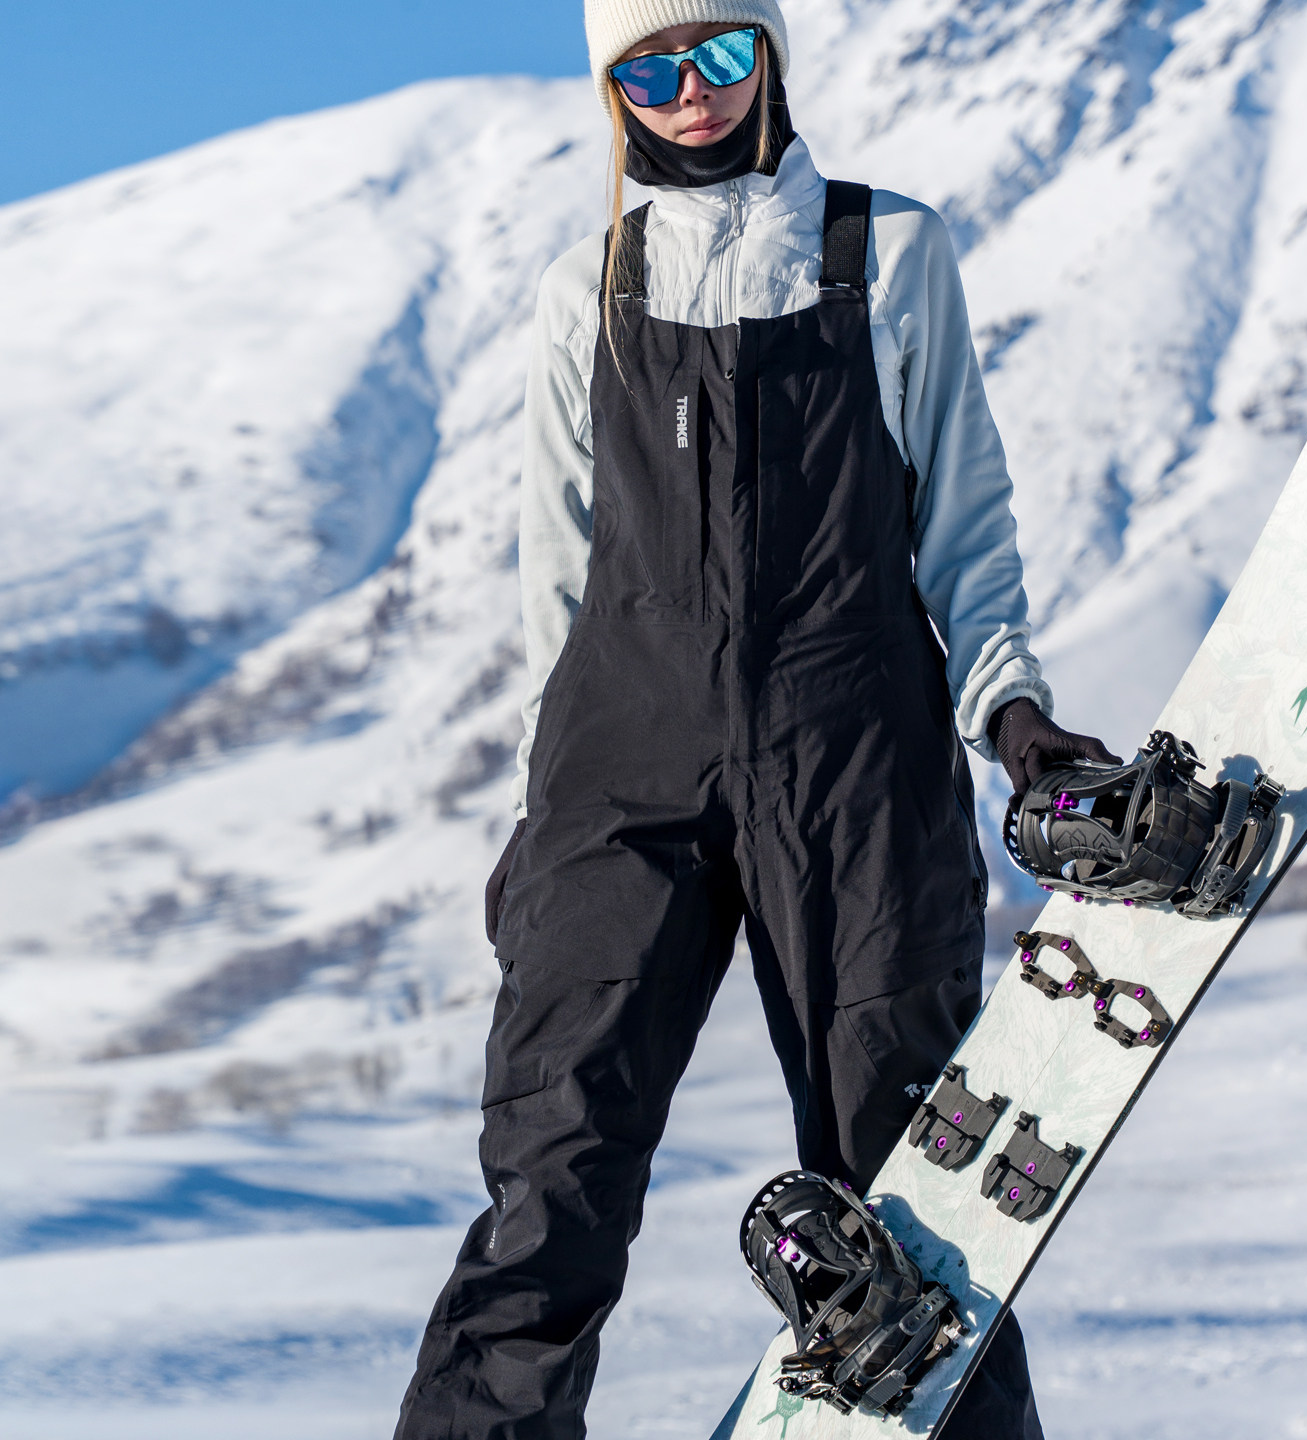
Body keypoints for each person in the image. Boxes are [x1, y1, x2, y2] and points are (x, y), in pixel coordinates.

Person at [395, 3, 1118, 1436]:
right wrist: (548, 810)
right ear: (613, 92)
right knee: (553, 1168)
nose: (691, 93)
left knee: (909, 1176)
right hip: (620, 755)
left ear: (772, 52)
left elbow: (964, 513)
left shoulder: (889, 250)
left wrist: (1013, 712)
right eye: (650, 69)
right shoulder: (586, 290)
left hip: (855, 741)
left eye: (720, 53)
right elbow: (558, 574)